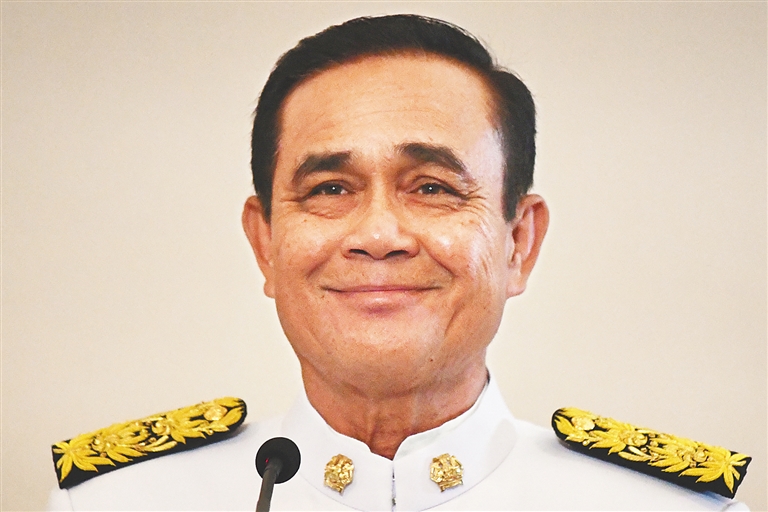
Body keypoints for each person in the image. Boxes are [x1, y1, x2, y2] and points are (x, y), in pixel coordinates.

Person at [47, 14, 750, 510]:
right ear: (265, 243)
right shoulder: (115, 501)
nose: (378, 234)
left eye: (433, 188)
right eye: (329, 189)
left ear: (519, 243)